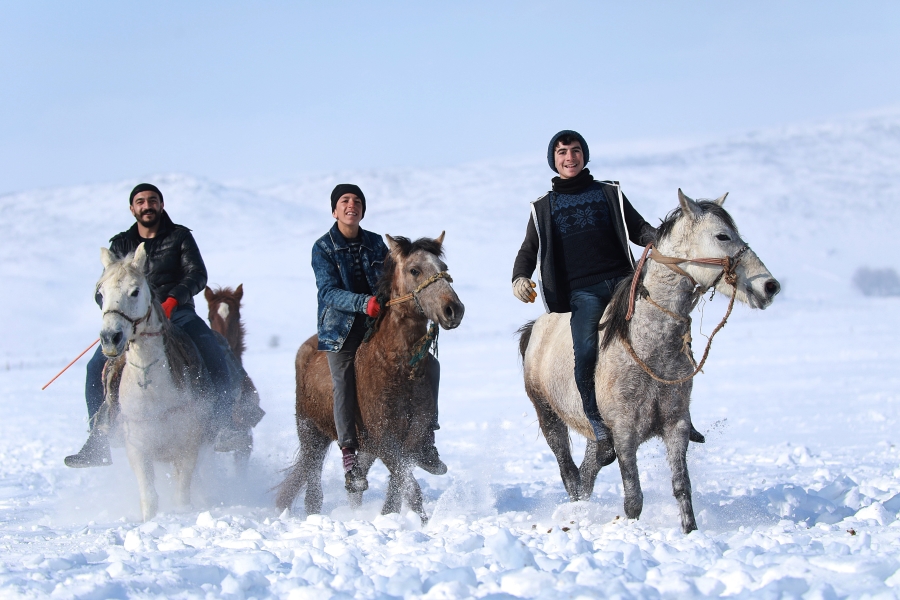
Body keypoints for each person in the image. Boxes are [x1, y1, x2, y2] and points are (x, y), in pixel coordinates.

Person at [65, 183, 242, 468]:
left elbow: (197, 274)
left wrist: (173, 299)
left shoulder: (179, 237)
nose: (147, 205)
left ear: (161, 205)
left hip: (177, 312)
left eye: (152, 200)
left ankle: (223, 425)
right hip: (134, 319)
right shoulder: (120, 243)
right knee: (94, 366)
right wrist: (117, 313)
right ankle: (97, 440)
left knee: (210, 347)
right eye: (140, 201)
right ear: (132, 209)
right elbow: (105, 288)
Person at [512, 130, 659, 446]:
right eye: (562, 152)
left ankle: (675, 414)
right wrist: (519, 277)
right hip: (584, 292)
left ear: (584, 155)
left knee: (663, 331)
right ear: (554, 160)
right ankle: (597, 422)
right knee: (586, 351)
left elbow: (639, 229)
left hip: (624, 283)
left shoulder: (609, 193)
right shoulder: (543, 207)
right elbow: (528, 249)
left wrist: (660, 241)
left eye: (575, 150)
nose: (569, 157)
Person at [312, 184, 445, 487]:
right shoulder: (323, 247)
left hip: (379, 324)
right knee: (343, 380)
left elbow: (393, 282)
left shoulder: (376, 244)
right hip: (342, 329)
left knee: (430, 366)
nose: (351, 205)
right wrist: (363, 302)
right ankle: (349, 450)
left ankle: (425, 437)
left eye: (357, 201)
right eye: (345, 201)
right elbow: (328, 292)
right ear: (335, 210)